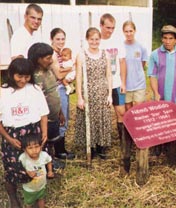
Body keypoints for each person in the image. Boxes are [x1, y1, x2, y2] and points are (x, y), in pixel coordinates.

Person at [0, 58, 49, 208]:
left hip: (33, 132)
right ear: (11, 74)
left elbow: (43, 114)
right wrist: (8, 138)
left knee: (35, 164)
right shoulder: (3, 91)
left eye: (27, 76)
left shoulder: (34, 89)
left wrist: (44, 133)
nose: (23, 80)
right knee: (13, 167)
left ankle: (35, 195)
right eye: (19, 76)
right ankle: (13, 196)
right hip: (12, 134)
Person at [148, 25, 176, 163]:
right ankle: (157, 147)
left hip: (175, 97)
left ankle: (171, 151)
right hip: (160, 96)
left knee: (172, 122)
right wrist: (156, 93)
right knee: (159, 121)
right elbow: (152, 75)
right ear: (161, 38)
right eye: (165, 38)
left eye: (171, 38)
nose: (167, 41)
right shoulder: (155, 54)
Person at [27, 42, 68, 169]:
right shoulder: (34, 76)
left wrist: (60, 111)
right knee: (44, 140)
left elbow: (54, 92)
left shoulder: (49, 71)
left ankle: (52, 159)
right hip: (45, 118)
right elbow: (36, 101)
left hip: (54, 114)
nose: (51, 61)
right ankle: (45, 163)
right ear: (38, 59)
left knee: (52, 140)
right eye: (48, 58)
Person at [75, 27, 112, 159]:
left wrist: (110, 94)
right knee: (90, 117)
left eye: (97, 39)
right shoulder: (81, 55)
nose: (94, 42)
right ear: (87, 39)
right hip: (88, 91)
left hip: (102, 90)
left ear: (100, 40)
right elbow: (78, 77)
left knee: (101, 117)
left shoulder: (106, 54)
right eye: (92, 39)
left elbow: (108, 75)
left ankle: (101, 145)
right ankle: (91, 146)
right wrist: (79, 97)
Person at [121, 20, 148, 173]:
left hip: (138, 84)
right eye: (126, 31)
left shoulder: (141, 47)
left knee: (138, 112)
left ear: (135, 31)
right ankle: (128, 140)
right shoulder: (121, 47)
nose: (129, 33)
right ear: (123, 32)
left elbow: (142, 64)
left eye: (131, 31)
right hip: (126, 85)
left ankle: (139, 139)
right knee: (128, 113)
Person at [99, 13, 127, 157]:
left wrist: (123, 82)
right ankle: (102, 143)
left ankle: (123, 140)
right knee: (103, 114)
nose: (110, 31)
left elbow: (122, 62)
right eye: (107, 27)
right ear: (101, 26)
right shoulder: (96, 41)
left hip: (116, 82)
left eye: (113, 28)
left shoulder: (117, 42)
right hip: (101, 83)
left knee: (121, 112)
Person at [50, 28, 75, 160]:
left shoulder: (61, 53)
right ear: (52, 39)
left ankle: (61, 148)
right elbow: (59, 74)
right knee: (62, 118)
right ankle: (60, 151)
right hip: (56, 89)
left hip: (61, 88)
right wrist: (72, 68)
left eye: (63, 39)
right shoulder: (53, 54)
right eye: (58, 39)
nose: (61, 41)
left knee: (64, 117)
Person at [19, 133, 54, 208]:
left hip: (42, 185)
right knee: (29, 203)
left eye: (36, 147)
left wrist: (50, 171)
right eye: (30, 148)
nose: (34, 150)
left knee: (41, 198)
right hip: (29, 188)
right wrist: (27, 172)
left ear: (41, 146)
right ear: (24, 150)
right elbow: (18, 169)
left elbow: (49, 161)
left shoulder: (43, 155)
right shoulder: (23, 158)